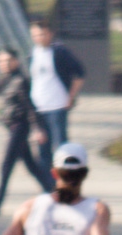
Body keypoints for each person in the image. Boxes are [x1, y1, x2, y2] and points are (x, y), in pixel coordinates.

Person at [0, 48, 54, 216]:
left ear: (16, 62)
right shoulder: (6, 80)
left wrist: (38, 129)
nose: (4, 64)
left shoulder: (20, 80)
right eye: (1, 61)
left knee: (6, 165)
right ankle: (55, 193)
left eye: (7, 61)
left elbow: (30, 106)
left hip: (19, 127)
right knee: (32, 166)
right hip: (12, 127)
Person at [29, 17, 85, 175]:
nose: (40, 38)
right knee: (42, 150)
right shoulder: (31, 54)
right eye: (36, 35)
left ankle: (65, 181)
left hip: (57, 106)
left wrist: (71, 96)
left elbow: (80, 73)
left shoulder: (60, 52)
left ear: (50, 34)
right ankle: (48, 186)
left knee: (61, 148)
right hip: (39, 108)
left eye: (43, 34)